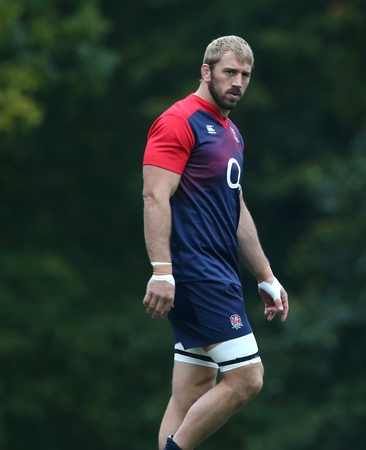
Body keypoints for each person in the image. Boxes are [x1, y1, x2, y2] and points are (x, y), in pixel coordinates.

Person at [141, 35, 289, 450]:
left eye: (245, 75)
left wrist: (265, 275)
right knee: (247, 378)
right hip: (194, 273)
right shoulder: (179, 120)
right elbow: (154, 195)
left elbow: (236, 208)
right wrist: (162, 271)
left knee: (192, 389)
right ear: (206, 72)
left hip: (218, 272)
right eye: (229, 72)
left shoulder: (231, 132)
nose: (238, 82)